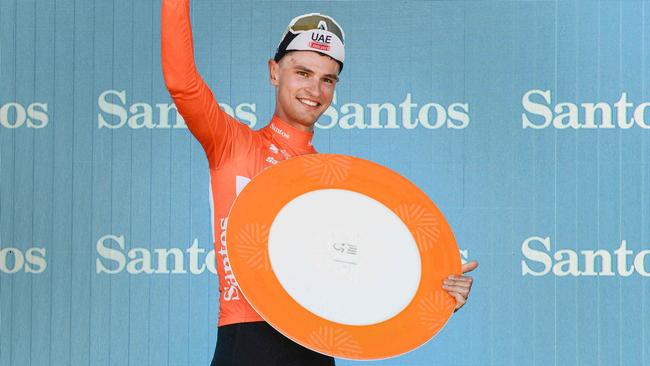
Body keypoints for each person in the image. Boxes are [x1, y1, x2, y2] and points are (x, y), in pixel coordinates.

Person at [161, 1, 478, 365]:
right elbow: (180, 83)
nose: (315, 89)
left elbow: (362, 276)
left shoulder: (333, 184)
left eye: (327, 79)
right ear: (273, 72)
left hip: (317, 348)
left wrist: (438, 296)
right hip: (247, 339)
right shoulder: (232, 145)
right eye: (302, 72)